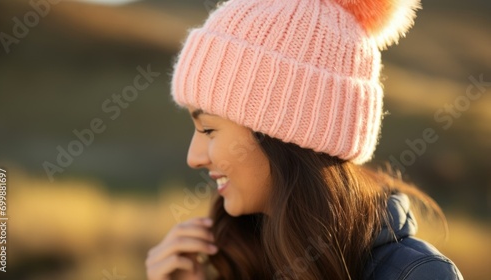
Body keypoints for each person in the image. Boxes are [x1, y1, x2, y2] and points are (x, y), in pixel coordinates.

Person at [146, 0, 463, 279]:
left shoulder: (419, 275)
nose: (194, 157)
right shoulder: (238, 262)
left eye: (208, 129)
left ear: (283, 135)